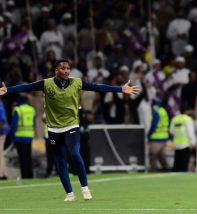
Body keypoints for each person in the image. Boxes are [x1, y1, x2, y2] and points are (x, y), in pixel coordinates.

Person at [0, 59, 139, 202]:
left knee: (74, 153)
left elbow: (98, 87)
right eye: (63, 68)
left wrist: (120, 89)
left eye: (68, 68)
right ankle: (69, 193)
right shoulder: (46, 84)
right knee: (60, 161)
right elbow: (26, 87)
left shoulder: (77, 82)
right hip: (54, 128)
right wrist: (7, 90)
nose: (66, 71)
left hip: (71, 125)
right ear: (56, 71)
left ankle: (85, 188)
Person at [9, 95, 36, 179]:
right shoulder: (32, 109)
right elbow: (34, 123)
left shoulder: (18, 110)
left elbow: (14, 125)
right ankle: (30, 175)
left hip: (19, 137)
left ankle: (25, 176)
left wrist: (11, 137)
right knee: (28, 157)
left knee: (22, 158)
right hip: (29, 136)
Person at [170, 106, 196, 172]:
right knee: (183, 164)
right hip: (185, 145)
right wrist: (193, 143)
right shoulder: (187, 119)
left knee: (177, 163)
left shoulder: (174, 119)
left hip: (176, 145)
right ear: (186, 111)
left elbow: (171, 131)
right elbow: (190, 132)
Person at [147, 98, 170, 172]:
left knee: (153, 155)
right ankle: (166, 169)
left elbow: (154, 125)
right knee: (161, 156)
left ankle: (153, 170)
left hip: (156, 138)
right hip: (164, 137)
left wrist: (149, 135)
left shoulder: (157, 112)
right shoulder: (163, 111)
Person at [0, 96, 9, 180]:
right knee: (1, 153)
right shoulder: (1, 104)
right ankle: (4, 173)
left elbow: (2, 120)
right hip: (3, 132)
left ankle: (2, 174)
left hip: (1, 132)